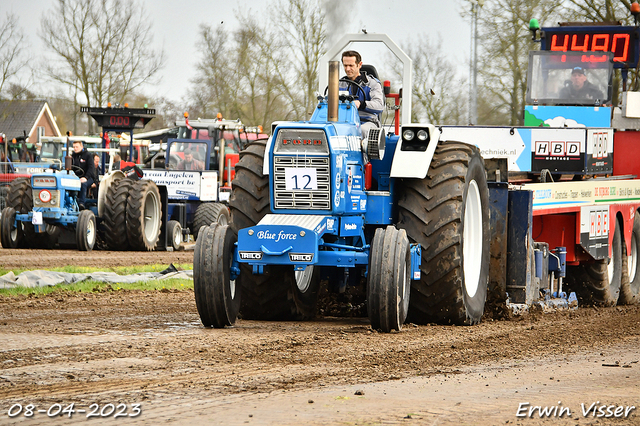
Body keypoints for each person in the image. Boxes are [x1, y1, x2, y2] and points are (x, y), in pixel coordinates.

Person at [340, 50, 384, 138]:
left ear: (359, 65)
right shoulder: (338, 84)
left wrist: (361, 103)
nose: (347, 69)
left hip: (367, 121)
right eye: (345, 65)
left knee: (361, 130)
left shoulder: (372, 83)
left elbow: (379, 105)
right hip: (344, 121)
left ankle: (363, 151)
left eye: (351, 65)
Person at [71, 140, 95, 210]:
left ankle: (81, 203)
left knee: (83, 184)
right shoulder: (73, 156)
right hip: (76, 177)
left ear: (81, 146)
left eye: (77, 147)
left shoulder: (88, 155)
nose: (75, 148)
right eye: (74, 147)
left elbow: (91, 168)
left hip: (88, 177)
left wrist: (86, 177)